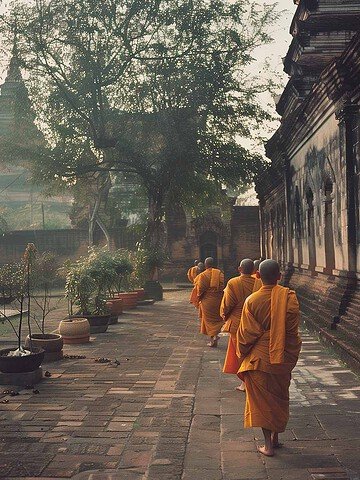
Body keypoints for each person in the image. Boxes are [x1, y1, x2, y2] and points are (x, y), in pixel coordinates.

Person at [237, 260, 301, 457]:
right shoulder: (290, 298)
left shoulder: (252, 301)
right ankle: (275, 438)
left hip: (260, 359)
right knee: (279, 398)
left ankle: (268, 445)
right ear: (279, 276)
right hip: (282, 356)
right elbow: (291, 332)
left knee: (263, 403)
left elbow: (246, 335)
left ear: (257, 275)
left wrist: (242, 352)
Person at [221, 258, 255, 391]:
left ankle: (246, 382)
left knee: (240, 353)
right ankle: (249, 380)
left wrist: (224, 316)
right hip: (253, 324)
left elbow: (227, 305)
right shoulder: (258, 283)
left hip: (236, 323)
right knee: (251, 352)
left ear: (239, 269)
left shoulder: (233, 282)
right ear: (253, 270)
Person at [192, 257, 224, 347]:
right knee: (216, 319)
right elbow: (222, 287)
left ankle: (213, 338)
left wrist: (198, 298)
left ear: (205, 265)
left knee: (209, 321)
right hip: (218, 299)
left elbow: (200, 289)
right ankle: (215, 336)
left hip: (207, 301)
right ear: (214, 264)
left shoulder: (203, 275)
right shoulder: (219, 273)